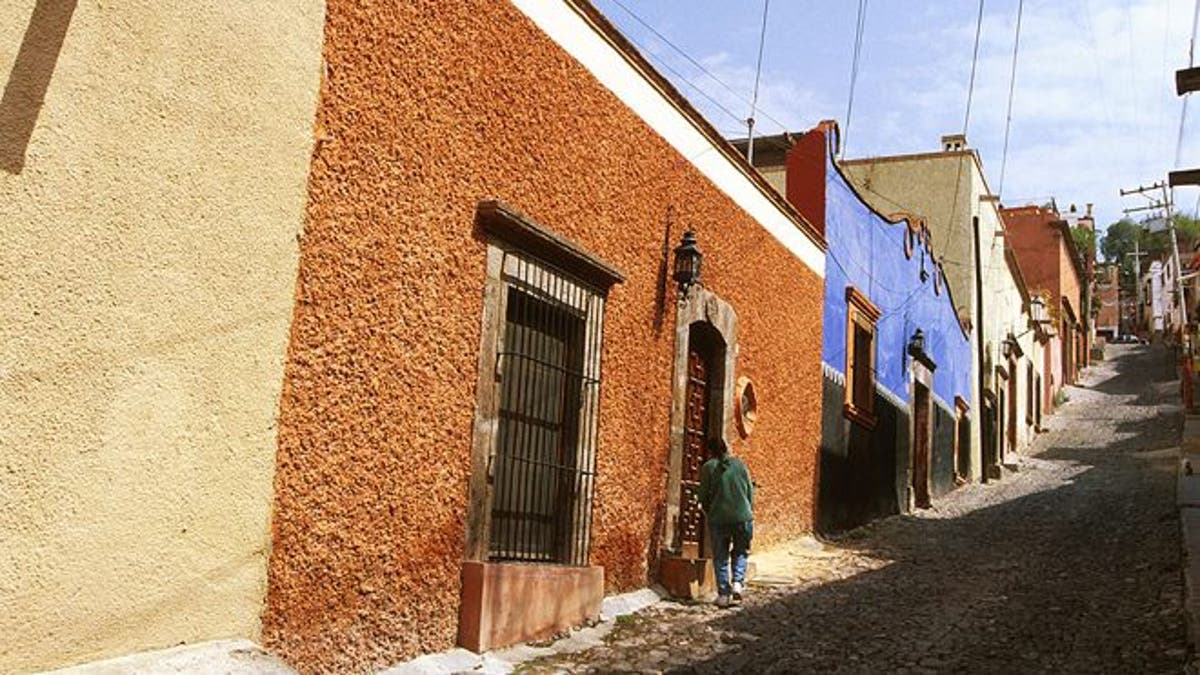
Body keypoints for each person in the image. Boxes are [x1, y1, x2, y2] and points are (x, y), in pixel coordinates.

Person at [697, 437, 754, 608]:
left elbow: (703, 496)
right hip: (743, 517)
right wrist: (748, 512)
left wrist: (709, 511)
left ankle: (723, 594)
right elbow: (749, 492)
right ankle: (737, 583)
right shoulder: (739, 465)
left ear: (710, 451)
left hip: (719, 519)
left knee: (720, 556)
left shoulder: (708, 467)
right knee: (741, 551)